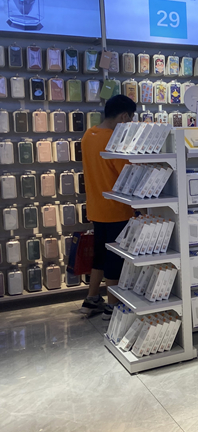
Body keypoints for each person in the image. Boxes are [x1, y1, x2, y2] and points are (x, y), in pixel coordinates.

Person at [79, 95, 137, 317]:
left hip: (96, 206)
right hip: (117, 208)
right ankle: (112, 306)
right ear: (124, 116)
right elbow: (127, 173)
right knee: (115, 257)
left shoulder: (89, 135)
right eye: (130, 119)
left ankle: (92, 298)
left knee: (100, 255)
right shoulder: (114, 140)